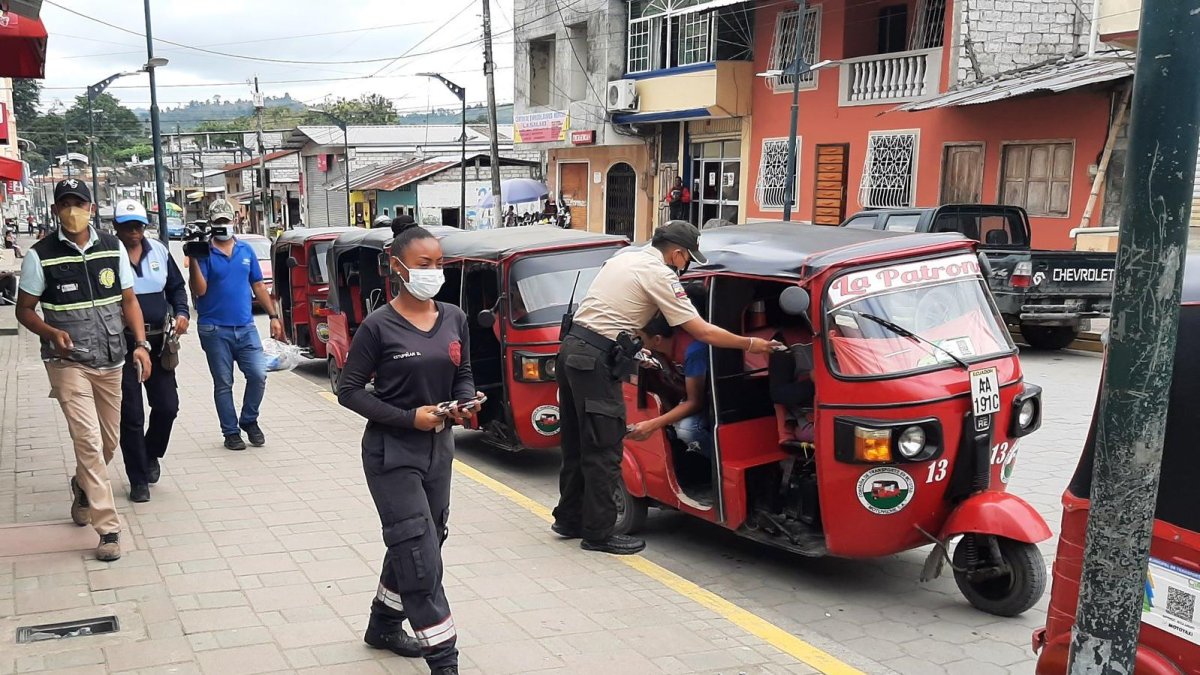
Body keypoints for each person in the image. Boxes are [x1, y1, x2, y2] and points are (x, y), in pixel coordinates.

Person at [552, 220, 781, 555]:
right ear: (676, 253)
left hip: (572, 351)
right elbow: (701, 331)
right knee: (604, 447)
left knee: (576, 443)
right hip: (596, 362)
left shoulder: (625, 258)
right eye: (687, 258)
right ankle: (598, 533)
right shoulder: (659, 274)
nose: (686, 264)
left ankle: (569, 518)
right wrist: (751, 345)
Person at [338, 221, 477, 675]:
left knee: (427, 537)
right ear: (397, 267)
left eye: (439, 264)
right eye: (424, 265)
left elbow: (463, 371)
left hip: (439, 449)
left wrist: (463, 403)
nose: (434, 272)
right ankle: (444, 660)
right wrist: (406, 418)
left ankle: (382, 626)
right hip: (391, 453)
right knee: (417, 552)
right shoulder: (378, 327)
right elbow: (350, 390)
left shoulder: (454, 317)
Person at [15, 179, 153, 562]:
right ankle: (108, 528)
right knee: (89, 442)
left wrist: (140, 344)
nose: (72, 210)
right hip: (68, 361)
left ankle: (82, 485)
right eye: (65, 203)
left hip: (111, 359)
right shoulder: (40, 255)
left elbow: (129, 301)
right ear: (56, 210)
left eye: (79, 202)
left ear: (91, 208)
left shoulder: (113, 248)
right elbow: (24, 310)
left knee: (108, 443)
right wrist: (50, 331)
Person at [188, 199, 284, 451]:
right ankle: (230, 432)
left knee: (258, 374)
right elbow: (199, 290)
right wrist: (195, 260)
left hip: (246, 327)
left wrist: (273, 316)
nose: (223, 225)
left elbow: (259, 285)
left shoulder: (245, 251)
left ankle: (249, 420)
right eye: (218, 222)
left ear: (234, 221)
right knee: (223, 382)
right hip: (214, 329)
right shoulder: (205, 252)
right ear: (211, 224)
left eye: (226, 221)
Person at [113, 199, 189, 503]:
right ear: (116, 226)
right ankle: (137, 478)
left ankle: (151, 453)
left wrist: (182, 312)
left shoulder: (158, 250)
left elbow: (176, 288)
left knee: (167, 407)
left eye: (139, 225)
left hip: (158, 343)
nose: (134, 232)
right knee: (131, 414)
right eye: (128, 226)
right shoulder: (109, 252)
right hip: (124, 344)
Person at [628, 291, 713, 457]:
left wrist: (652, 425)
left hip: (711, 399)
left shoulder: (693, 351)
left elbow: (695, 402)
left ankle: (716, 466)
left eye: (640, 338)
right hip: (686, 395)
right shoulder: (658, 350)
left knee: (687, 429)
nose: (637, 342)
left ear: (657, 340)